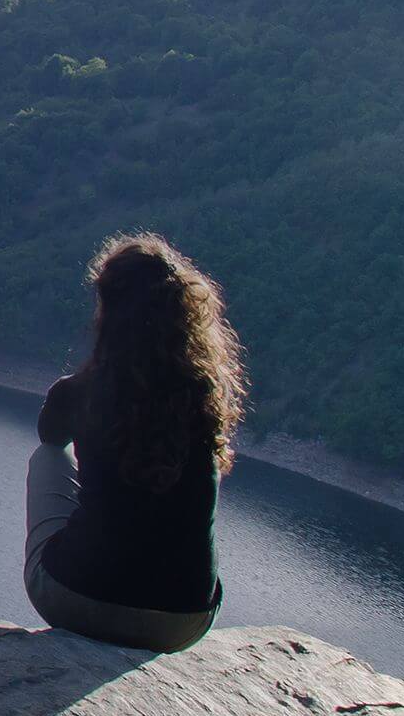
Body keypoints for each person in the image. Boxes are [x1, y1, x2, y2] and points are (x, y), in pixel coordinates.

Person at [25, 232, 246, 653]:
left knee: (48, 458)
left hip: (78, 601)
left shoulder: (81, 391)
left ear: (107, 309)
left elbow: (50, 436)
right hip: (184, 621)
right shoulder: (204, 395)